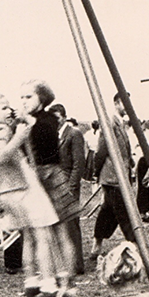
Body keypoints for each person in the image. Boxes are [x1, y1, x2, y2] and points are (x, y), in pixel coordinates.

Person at [0, 92, 77, 297]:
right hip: (21, 188)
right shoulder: (1, 129)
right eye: (3, 108)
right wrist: (19, 135)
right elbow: (0, 156)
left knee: (28, 235)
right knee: (44, 234)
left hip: (4, 191)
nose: (9, 110)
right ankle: (48, 285)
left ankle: (31, 281)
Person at [20, 81, 81, 297]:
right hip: (35, 177)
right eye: (22, 98)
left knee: (61, 231)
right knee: (34, 232)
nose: (24, 102)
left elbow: (45, 138)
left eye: (28, 97)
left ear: (42, 99)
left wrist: (29, 122)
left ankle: (68, 281)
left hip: (51, 176)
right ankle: (37, 280)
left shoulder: (47, 120)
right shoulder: (28, 122)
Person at [91, 94, 137, 257]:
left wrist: (130, 162)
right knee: (124, 211)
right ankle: (138, 246)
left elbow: (123, 148)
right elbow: (102, 150)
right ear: (116, 103)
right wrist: (96, 172)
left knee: (108, 211)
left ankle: (96, 244)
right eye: (125, 103)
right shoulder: (110, 122)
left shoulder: (120, 123)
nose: (128, 107)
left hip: (120, 175)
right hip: (113, 177)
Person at [51, 104, 87, 275]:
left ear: (64, 117)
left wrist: (72, 187)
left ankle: (77, 264)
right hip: (56, 184)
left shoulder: (74, 134)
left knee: (71, 225)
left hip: (69, 186)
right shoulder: (54, 135)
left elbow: (79, 164)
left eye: (56, 118)